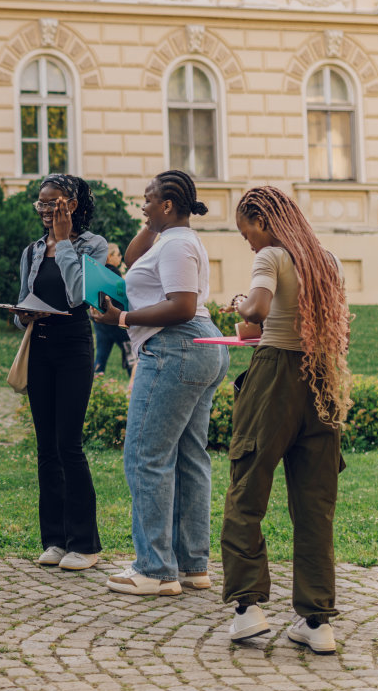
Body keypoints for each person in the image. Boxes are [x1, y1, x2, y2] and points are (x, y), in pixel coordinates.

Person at [223, 186, 351, 654]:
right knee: (315, 505)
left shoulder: (272, 258)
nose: (248, 243)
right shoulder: (327, 260)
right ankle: (317, 622)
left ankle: (248, 610)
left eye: (246, 232)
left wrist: (240, 303)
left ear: (263, 220)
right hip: (321, 380)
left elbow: (256, 312)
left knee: (247, 490)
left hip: (274, 375)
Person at [90, 170, 227, 597]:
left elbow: (182, 306)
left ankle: (154, 570)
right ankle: (191, 566)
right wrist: (153, 221)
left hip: (174, 349)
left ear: (168, 205)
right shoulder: (171, 239)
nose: (142, 205)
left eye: (148, 200)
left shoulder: (179, 244)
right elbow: (132, 258)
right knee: (189, 457)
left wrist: (123, 319)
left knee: (146, 455)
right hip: (198, 348)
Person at [14, 174, 111, 571]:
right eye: (42, 203)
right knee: (46, 448)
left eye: (54, 203)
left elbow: (80, 296)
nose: (47, 211)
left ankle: (84, 544)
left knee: (69, 444)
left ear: (72, 205)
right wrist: (22, 314)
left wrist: (67, 242)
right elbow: (23, 304)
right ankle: (54, 539)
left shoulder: (94, 245)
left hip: (74, 346)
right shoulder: (32, 251)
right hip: (40, 346)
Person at [91, 243, 135, 379]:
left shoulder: (98, 272)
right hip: (116, 322)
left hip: (100, 321)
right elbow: (124, 293)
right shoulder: (113, 272)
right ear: (109, 256)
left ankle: (96, 386)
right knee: (130, 354)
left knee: (101, 357)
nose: (120, 258)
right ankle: (133, 383)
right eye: (118, 255)